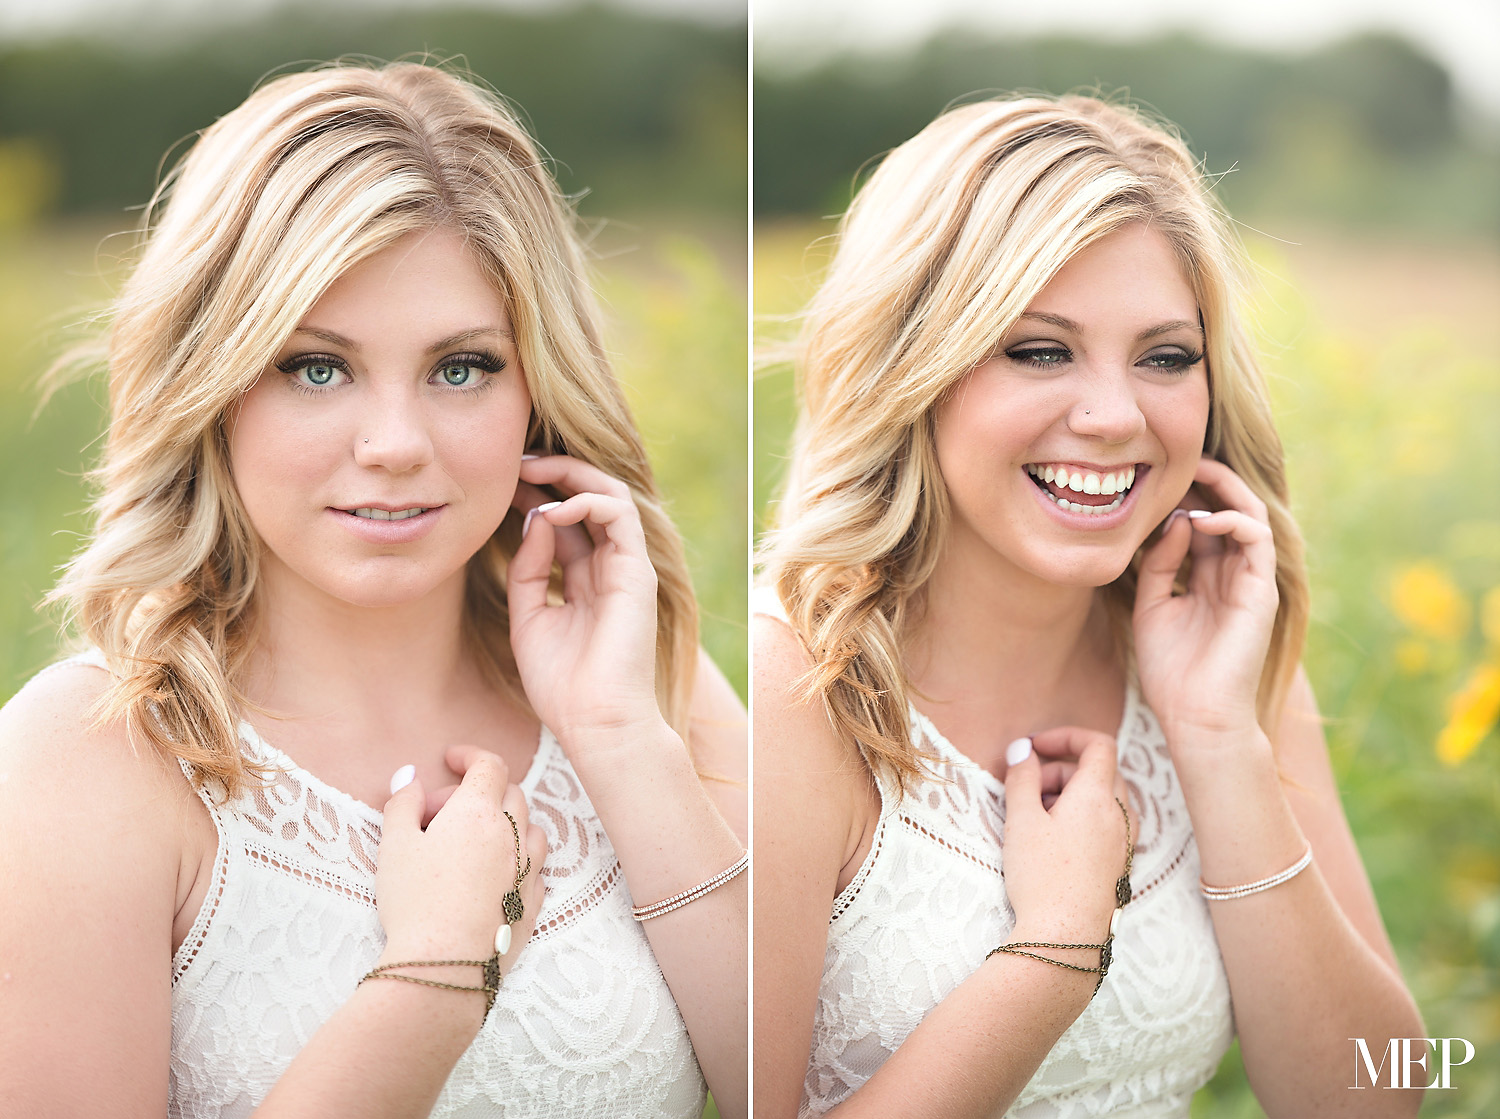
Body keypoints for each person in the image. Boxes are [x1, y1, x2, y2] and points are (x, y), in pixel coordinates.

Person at [0, 62, 747, 1119]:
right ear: (211, 388)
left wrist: (623, 741)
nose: (394, 446)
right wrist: (436, 977)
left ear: (536, 389)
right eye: (316, 368)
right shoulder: (89, 755)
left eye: (460, 369)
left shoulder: (649, 685)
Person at [753, 95, 1422, 1118]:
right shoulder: (793, 691)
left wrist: (1217, 738)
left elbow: (1378, 1098)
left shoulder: (1220, 660)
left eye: (1165, 357)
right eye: (1039, 349)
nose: (1115, 417)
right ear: (913, 367)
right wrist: (1054, 954)